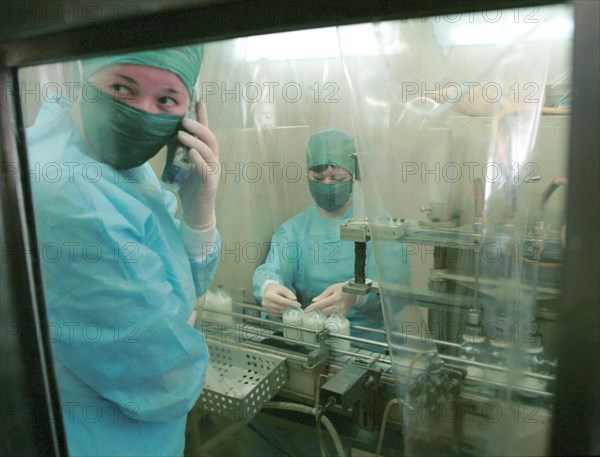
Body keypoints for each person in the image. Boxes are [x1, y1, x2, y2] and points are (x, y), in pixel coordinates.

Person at [25, 45, 220, 456]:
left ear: (187, 116)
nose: (142, 111)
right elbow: (166, 374)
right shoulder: (73, 200)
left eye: (166, 99)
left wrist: (199, 211)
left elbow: (185, 281)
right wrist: (181, 314)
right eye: (122, 88)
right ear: (85, 77)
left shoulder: (115, 164)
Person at [252, 128, 411, 349]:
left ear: (353, 177)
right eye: (318, 178)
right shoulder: (294, 229)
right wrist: (268, 289)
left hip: (364, 343)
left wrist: (357, 295)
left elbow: (397, 288)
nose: (327, 184)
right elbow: (272, 270)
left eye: (337, 178)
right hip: (311, 339)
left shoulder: (380, 225)